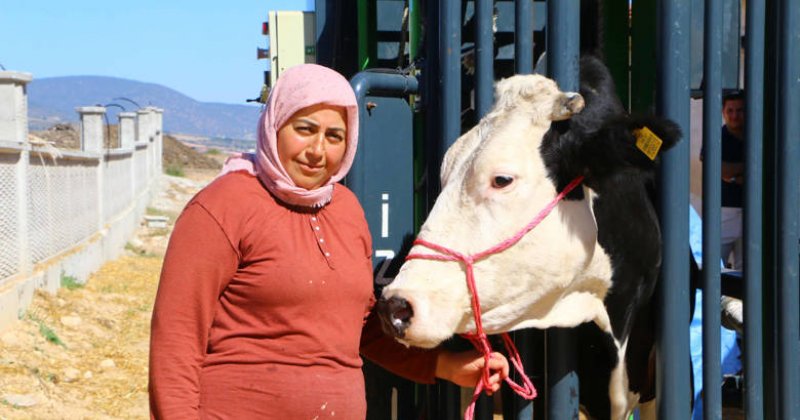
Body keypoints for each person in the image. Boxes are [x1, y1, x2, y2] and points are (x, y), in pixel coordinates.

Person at [148, 63, 509, 419]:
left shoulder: (346, 209)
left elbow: (360, 325)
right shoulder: (222, 206)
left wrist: (443, 365)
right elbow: (176, 343)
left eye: (334, 136)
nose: (317, 150)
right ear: (275, 125)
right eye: (304, 129)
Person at [701, 90, 745, 270]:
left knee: (748, 273)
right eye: (730, 110)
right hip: (722, 210)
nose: (734, 115)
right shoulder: (716, 138)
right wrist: (748, 167)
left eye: (739, 110)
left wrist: (732, 173)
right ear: (723, 112)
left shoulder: (757, 136)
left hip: (753, 211)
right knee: (715, 269)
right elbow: (719, 170)